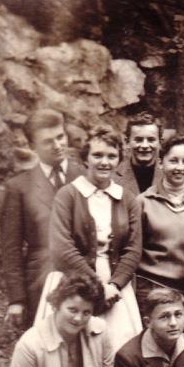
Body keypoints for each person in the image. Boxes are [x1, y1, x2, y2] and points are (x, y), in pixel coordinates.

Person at [44, 124, 143, 351]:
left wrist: (114, 286)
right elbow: (62, 249)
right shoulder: (68, 195)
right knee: (70, 350)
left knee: (118, 349)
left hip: (116, 287)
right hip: (75, 281)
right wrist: (98, 287)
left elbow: (133, 249)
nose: (104, 162)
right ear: (85, 158)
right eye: (97, 155)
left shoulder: (127, 199)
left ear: (119, 160)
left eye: (111, 156)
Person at [0, 109, 85, 328]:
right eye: (48, 141)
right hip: (41, 282)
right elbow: (11, 248)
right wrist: (17, 300)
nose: (57, 145)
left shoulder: (86, 176)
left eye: (60, 136)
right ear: (32, 146)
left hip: (86, 278)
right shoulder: (19, 187)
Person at [134, 135, 184, 333]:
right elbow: (134, 251)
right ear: (161, 163)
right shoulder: (143, 202)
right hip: (152, 291)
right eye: (173, 161)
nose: (180, 167)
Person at [115, 112, 163, 197]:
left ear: (160, 142)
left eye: (151, 140)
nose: (145, 145)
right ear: (127, 142)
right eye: (138, 140)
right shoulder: (113, 177)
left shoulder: (169, 175)